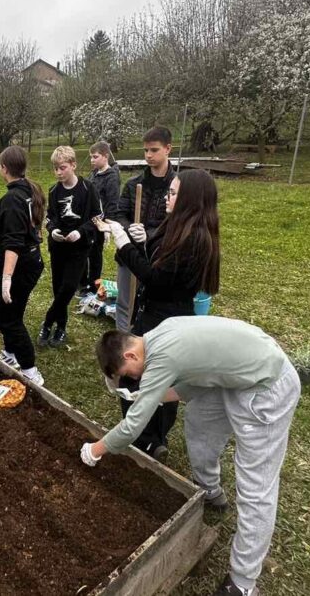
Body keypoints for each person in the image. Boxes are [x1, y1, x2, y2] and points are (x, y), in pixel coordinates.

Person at [80, 317, 301, 596]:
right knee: (199, 424)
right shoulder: (157, 334)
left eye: (130, 375)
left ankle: (243, 583)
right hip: (229, 381)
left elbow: (132, 428)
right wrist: (152, 395)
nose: (135, 380)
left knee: (256, 488)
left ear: (130, 354)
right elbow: (199, 379)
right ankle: (208, 491)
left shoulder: (161, 354)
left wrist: (94, 449)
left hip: (265, 386)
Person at [97, 168, 221, 459]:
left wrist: (124, 245)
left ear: (190, 199)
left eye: (174, 192)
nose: (168, 195)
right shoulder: (179, 226)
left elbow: (156, 278)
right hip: (157, 310)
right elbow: (161, 261)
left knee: (146, 376)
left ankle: (147, 438)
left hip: (165, 317)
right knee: (153, 377)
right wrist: (145, 239)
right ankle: (150, 435)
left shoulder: (193, 239)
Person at [0, 144, 46, 386]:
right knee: (15, 312)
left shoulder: (12, 199)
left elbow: (13, 243)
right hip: (32, 261)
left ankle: (30, 369)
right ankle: (10, 353)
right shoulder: (28, 190)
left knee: (8, 320)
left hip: (19, 266)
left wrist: (6, 278)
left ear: (4, 168)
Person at [113, 126, 176, 333]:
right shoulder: (134, 184)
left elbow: (176, 222)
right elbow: (119, 213)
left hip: (159, 257)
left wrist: (148, 235)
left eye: (154, 150)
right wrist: (130, 228)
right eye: (146, 150)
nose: (148, 155)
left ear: (168, 149)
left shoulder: (177, 187)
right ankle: (123, 346)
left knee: (151, 306)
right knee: (124, 303)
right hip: (129, 254)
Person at [39, 146, 100, 348]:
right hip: (58, 247)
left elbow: (97, 217)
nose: (58, 173)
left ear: (73, 165)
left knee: (69, 287)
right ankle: (61, 327)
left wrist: (81, 232)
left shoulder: (88, 188)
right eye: (55, 168)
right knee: (58, 288)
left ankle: (48, 321)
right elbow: (50, 217)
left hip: (79, 248)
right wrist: (52, 230)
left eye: (62, 168)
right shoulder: (54, 190)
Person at [81, 141, 121, 295]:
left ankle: (93, 284)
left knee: (95, 254)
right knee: (85, 250)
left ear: (105, 156)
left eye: (95, 157)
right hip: (88, 221)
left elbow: (112, 202)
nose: (92, 160)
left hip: (100, 222)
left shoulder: (111, 177)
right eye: (91, 157)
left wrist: (106, 226)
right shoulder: (94, 173)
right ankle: (83, 282)